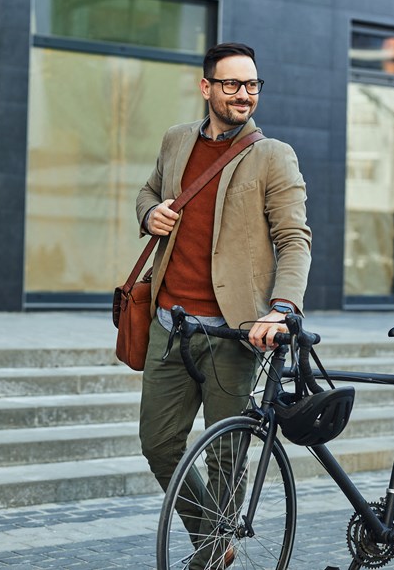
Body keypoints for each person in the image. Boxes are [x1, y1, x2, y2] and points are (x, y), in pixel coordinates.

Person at [135, 42, 312, 567]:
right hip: (170, 325)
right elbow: (147, 192)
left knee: (225, 455)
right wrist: (150, 215)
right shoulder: (176, 141)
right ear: (206, 87)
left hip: (235, 333)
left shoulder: (273, 155)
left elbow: (294, 238)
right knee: (160, 444)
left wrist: (280, 307)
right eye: (232, 84)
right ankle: (215, 537)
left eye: (252, 85)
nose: (244, 94)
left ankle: (213, 553)